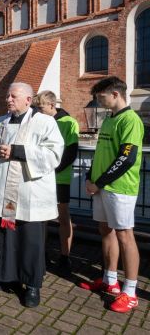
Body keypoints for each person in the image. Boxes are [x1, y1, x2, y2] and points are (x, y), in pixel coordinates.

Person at [0, 82, 64, 308]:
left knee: (30, 241)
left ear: (28, 99)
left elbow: (54, 153)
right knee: (3, 236)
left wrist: (18, 151)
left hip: (29, 196)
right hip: (1, 193)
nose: (8, 99)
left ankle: (32, 285)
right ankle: (4, 276)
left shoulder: (45, 122)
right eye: (7, 96)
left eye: (13, 96)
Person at [79, 77, 144, 313]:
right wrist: (89, 176)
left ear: (115, 94)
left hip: (120, 188)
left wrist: (101, 182)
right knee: (105, 231)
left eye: (101, 96)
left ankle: (131, 291)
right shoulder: (109, 119)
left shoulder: (131, 120)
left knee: (125, 235)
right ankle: (110, 280)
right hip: (101, 187)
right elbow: (101, 152)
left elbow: (126, 158)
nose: (98, 100)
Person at [33, 91, 78, 272]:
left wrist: (52, 169)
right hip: (42, 177)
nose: (38, 110)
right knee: (41, 217)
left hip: (59, 177)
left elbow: (71, 152)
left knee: (63, 216)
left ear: (52, 105)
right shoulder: (40, 122)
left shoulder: (68, 122)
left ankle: (64, 256)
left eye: (41, 106)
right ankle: (41, 254)